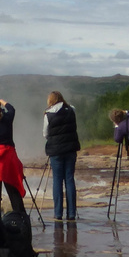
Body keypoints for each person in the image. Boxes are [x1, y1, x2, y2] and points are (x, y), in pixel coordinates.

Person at [44, 90, 80, 221]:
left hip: (56, 151)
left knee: (57, 180)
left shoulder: (48, 114)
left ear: (51, 100)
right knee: (69, 179)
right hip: (70, 149)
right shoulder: (72, 110)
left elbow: (45, 134)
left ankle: (58, 214)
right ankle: (71, 214)